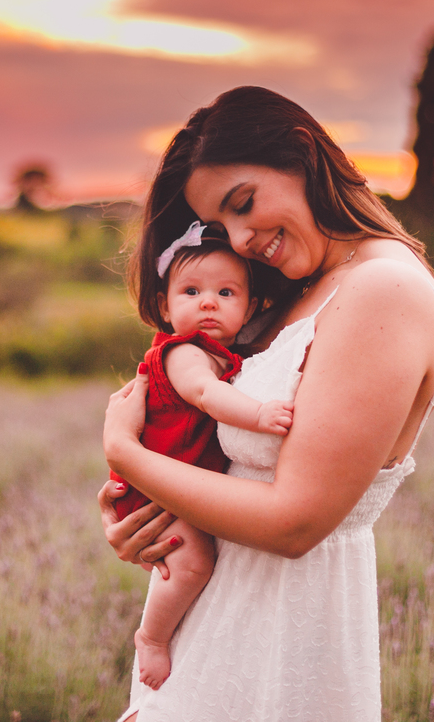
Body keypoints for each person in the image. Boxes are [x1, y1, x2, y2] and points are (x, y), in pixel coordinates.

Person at [101, 86, 434, 722]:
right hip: (212, 628)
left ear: (301, 154)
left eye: (244, 203)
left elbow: (294, 522)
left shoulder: (385, 290)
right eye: (223, 223)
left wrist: (125, 452)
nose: (239, 238)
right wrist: (143, 525)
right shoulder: (306, 288)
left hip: (284, 641)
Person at [111, 222, 295, 690]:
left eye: (226, 292)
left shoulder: (222, 351)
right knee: (194, 564)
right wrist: (260, 414)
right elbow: (207, 394)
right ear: (164, 306)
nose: (208, 302)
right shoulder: (183, 354)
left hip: (175, 483)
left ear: (251, 308)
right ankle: (151, 637)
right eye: (191, 291)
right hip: (155, 491)